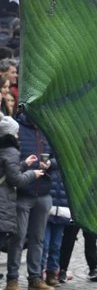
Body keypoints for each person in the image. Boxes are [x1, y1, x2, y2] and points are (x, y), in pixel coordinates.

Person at [8, 112, 56, 290]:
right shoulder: (17, 128)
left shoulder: (47, 129)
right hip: (22, 193)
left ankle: (35, 278)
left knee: (38, 238)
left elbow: (58, 159)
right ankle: (12, 280)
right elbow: (10, 159)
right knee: (18, 238)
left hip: (43, 192)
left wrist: (50, 164)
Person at [0, 116, 43, 286]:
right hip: (3, 202)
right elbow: (16, 180)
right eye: (16, 132)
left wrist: (24, 164)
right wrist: (33, 173)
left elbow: (8, 171)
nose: (18, 135)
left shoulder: (4, 149)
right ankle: (12, 278)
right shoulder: (10, 151)